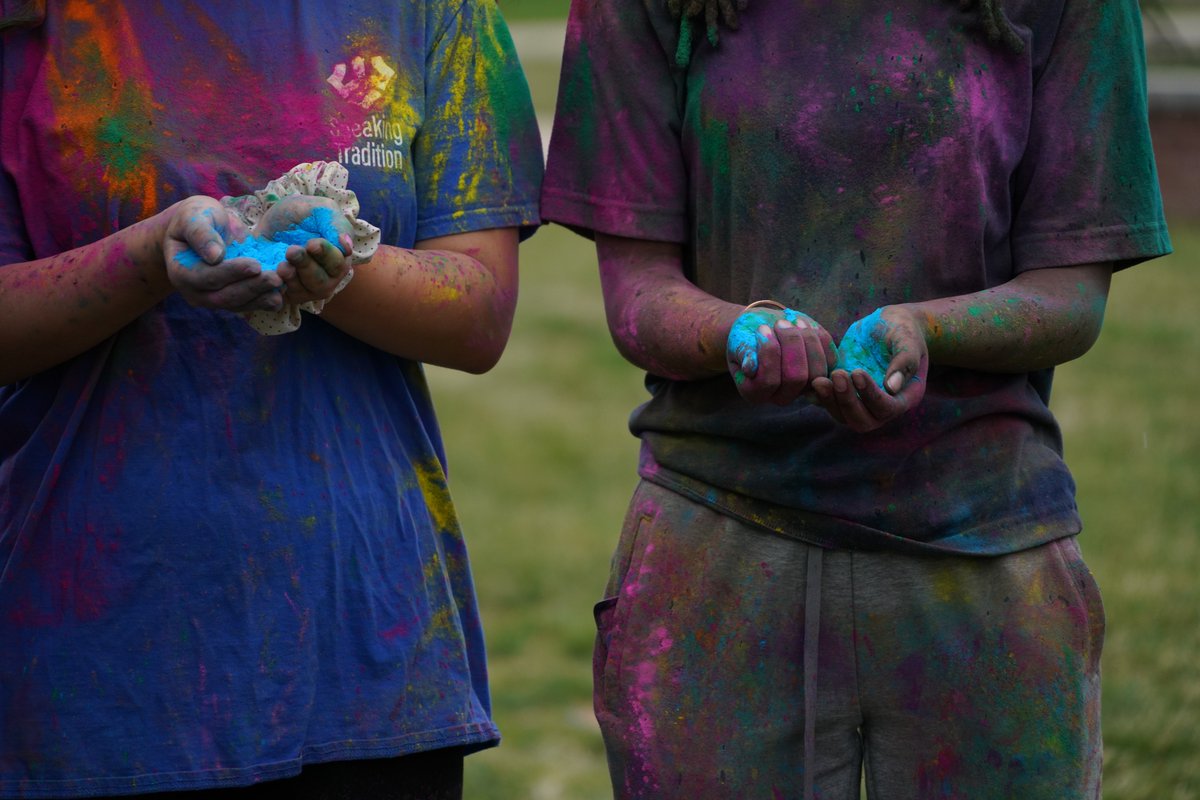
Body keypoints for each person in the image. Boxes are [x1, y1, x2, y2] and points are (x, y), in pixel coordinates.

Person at [541, 0, 1171, 797]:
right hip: (722, 550)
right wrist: (740, 333)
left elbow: (1072, 293)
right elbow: (637, 293)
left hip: (984, 550)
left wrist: (927, 329)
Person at [0, 2, 542, 798]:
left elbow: (479, 316)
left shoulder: (436, 12)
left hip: (367, 653)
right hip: (93, 667)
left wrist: (336, 259)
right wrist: (146, 258)